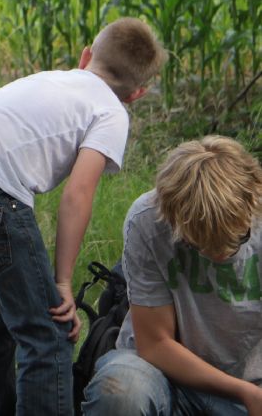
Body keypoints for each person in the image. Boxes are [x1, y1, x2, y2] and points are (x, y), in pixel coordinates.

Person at [0, 16, 166, 416]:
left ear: (86, 56)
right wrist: (62, 282)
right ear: (137, 93)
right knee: (50, 330)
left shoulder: (51, 79)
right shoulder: (111, 111)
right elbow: (77, 194)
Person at [83, 135, 262, 416]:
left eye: (235, 241)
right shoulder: (148, 219)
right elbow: (155, 343)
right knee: (120, 390)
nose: (217, 257)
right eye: (197, 244)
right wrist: (243, 391)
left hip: (254, 383)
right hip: (165, 376)